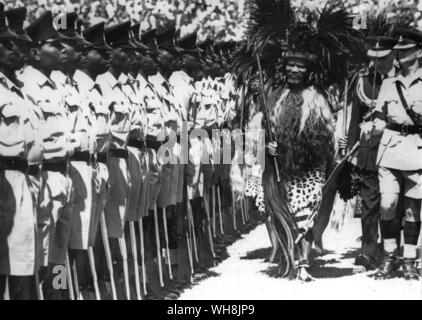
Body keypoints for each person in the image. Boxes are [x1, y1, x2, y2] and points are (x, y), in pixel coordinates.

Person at [240, 0, 355, 281]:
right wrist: (267, 148)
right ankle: (287, 257)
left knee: (309, 213)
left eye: (299, 66)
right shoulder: (273, 98)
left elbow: (326, 133)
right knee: (285, 213)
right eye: (290, 65)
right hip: (282, 168)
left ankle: (302, 262)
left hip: (310, 168)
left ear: (307, 70)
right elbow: (261, 129)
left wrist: (331, 150)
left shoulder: (316, 99)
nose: (294, 70)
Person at [22, 11, 75, 299]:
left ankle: (57, 298)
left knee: (59, 253)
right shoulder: (27, 86)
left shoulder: (55, 84)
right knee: (40, 255)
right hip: (44, 176)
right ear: (36, 51)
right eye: (54, 44)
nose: (62, 49)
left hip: (63, 175)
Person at [340, 35, 398, 271]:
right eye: (374, 59)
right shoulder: (364, 82)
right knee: (369, 201)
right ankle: (368, 250)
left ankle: (393, 249)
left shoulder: (404, 79)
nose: (379, 63)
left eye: (383, 58)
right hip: (369, 149)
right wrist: (350, 152)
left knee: (394, 201)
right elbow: (355, 119)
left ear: (393, 55)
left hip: (397, 146)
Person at [372, 28, 422, 281]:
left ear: (419, 52)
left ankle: (409, 259)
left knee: (413, 210)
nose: (400, 55)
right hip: (390, 150)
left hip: (417, 150)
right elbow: (380, 117)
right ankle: (390, 255)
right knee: (388, 203)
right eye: (399, 51)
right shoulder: (388, 84)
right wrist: (371, 128)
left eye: (406, 51)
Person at [0, 3, 41, 300]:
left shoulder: (19, 88)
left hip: (33, 181)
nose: (19, 50)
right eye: (8, 44)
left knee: (32, 261)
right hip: (8, 179)